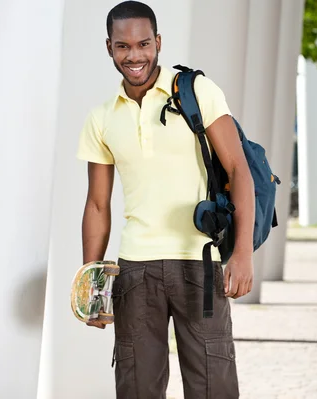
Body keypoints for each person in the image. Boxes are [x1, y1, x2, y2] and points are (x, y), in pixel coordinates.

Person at [76, 2, 254, 398]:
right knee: (136, 386)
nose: (134, 55)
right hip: (134, 271)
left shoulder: (196, 91)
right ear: (109, 48)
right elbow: (97, 205)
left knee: (214, 386)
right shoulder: (101, 118)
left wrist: (242, 253)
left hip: (200, 264)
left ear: (158, 42)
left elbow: (239, 170)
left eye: (143, 43)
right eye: (123, 46)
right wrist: (92, 280)